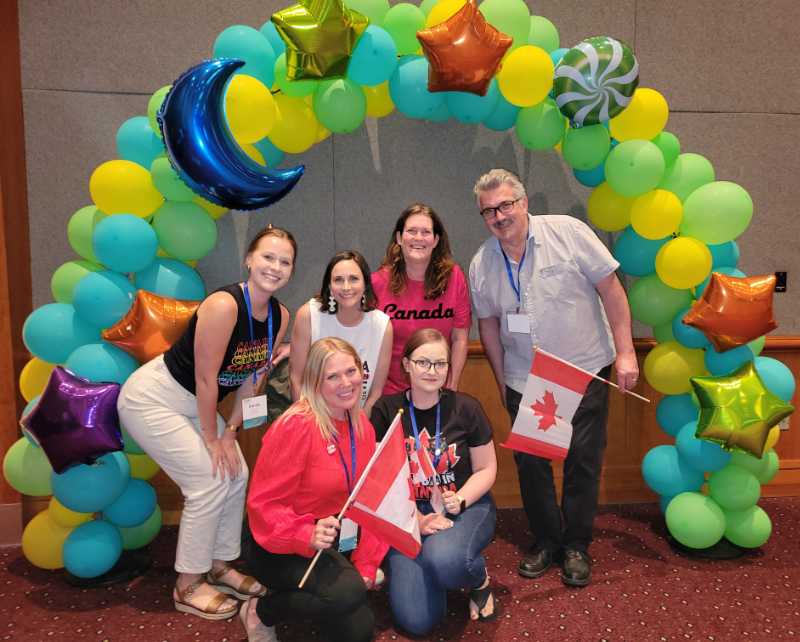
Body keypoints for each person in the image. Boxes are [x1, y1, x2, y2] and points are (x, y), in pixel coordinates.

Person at [468, 169, 639, 588]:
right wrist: (500, 376)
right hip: (527, 379)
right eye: (488, 211)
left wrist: (627, 351)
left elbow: (612, 290)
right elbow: (488, 326)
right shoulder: (481, 264)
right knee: (533, 465)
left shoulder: (568, 232)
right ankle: (546, 540)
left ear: (523, 203)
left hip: (583, 369)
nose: (499, 215)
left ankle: (577, 544)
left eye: (505, 205)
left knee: (583, 460)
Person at [118, 226, 294, 620]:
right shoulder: (224, 304)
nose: (275, 267)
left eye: (285, 262)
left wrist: (230, 433)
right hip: (154, 398)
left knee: (236, 473)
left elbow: (253, 378)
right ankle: (188, 583)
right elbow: (204, 378)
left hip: (195, 403)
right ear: (249, 259)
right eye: (267, 257)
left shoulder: (279, 316)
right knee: (209, 479)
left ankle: (219, 564)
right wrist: (212, 438)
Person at [241, 338, 389, 642]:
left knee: (358, 631)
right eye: (332, 376)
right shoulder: (296, 425)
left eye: (351, 371)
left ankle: (324, 586)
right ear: (314, 381)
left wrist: (365, 563)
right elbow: (263, 505)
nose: (346, 383)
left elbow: (366, 500)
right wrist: (304, 534)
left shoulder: (361, 422)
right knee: (347, 595)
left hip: (331, 534)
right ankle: (261, 610)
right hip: (276, 541)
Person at [371, 329, 498, 634]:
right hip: (405, 511)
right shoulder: (385, 410)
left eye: (440, 364)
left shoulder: (466, 408)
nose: (432, 371)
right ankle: (435, 567)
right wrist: (417, 517)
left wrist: (461, 499)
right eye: (423, 362)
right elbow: (379, 482)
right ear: (406, 364)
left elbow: (487, 469)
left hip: (464, 505)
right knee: (418, 622)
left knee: (446, 560)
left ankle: (477, 579)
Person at [372, 204, 471, 395]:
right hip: (390, 394)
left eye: (426, 232)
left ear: (435, 240)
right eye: (411, 231)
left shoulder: (455, 278)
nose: (418, 238)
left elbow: (460, 339)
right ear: (399, 238)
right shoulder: (377, 283)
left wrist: (450, 387)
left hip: (438, 391)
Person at [290, 250, 392, 419]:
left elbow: (375, 393)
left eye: (353, 279)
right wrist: (313, 426)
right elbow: (296, 381)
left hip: (358, 420)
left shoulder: (382, 326)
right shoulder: (308, 315)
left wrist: (357, 429)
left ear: (366, 283)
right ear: (329, 285)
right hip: (314, 419)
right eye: (338, 280)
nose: (346, 287)